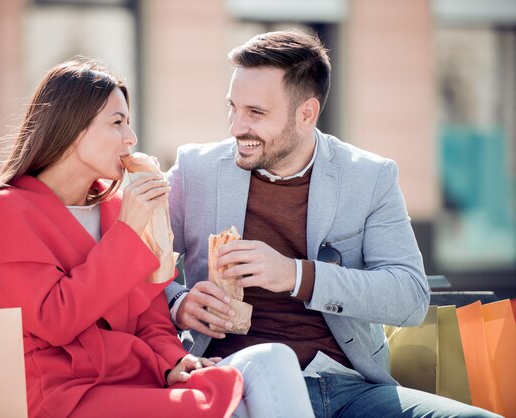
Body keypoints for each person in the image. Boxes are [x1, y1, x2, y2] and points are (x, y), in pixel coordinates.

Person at [0, 57, 313, 418]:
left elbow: (150, 318)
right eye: (117, 123)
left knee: (273, 359)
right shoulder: (5, 213)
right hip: (66, 396)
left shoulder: (117, 209)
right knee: (236, 409)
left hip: (140, 379)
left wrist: (175, 360)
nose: (131, 138)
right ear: (72, 127)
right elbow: (55, 320)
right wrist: (128, 230)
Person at [165, 30, 501, 418]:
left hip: (349, 386)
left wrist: (297, 276)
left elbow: (409, 296)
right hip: (235, 384)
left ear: (306, 114)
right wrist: (178, 303)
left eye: (255, 113)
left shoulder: (370, 177)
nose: (236, 126)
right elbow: (134, 269)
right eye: (233, 107)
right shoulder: (195, 172)